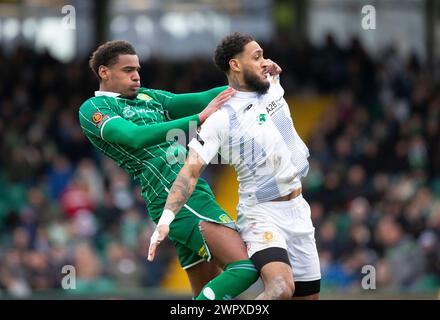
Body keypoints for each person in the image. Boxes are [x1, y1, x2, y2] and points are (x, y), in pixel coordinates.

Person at [78, 40, 271, 300]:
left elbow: (204, 99)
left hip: (191, 188)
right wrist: (198, 119)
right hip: (170, 192)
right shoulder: (94, 109)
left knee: (205, 290)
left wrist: (254, 77)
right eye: (127, 70)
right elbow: (134, 137)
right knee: (245, 267)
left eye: (137, 69)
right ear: (104, 72)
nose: (136, 76)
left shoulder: (147, 96)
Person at [148, 33, 321, 299]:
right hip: (261, 214)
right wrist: (166, 219)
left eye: (264, 55)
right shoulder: (220, 119)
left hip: (298, 210)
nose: (264, 61)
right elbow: (190, 172)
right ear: (235, 65)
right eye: (256, 56)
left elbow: (271, 71)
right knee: (280, 288)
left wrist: (267, 66)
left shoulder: (272, 84)